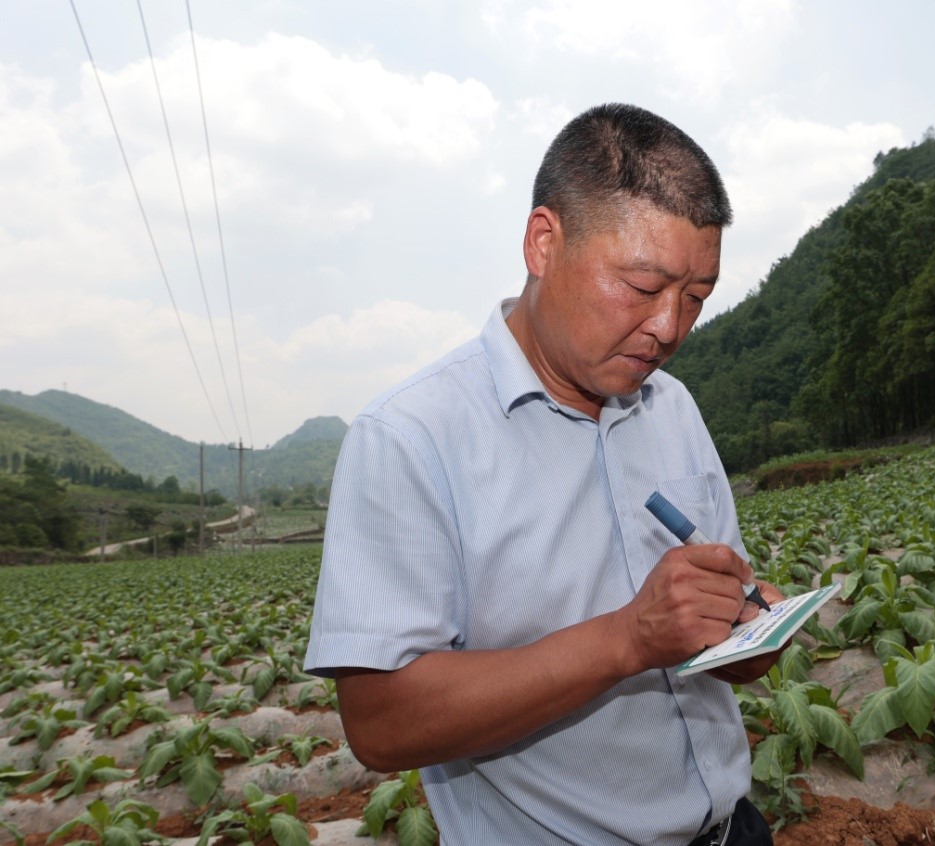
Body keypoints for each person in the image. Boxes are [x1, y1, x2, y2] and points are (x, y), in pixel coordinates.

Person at [304, 102, 782, 846]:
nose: (668, 328)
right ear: (543, 243)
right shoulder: (411, 437)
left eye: (695, 298)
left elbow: (707, 625)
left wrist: (745, 632)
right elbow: (382, 723)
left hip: (734, 831)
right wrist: (627, 638)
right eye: (642, 286)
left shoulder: (673, 407)